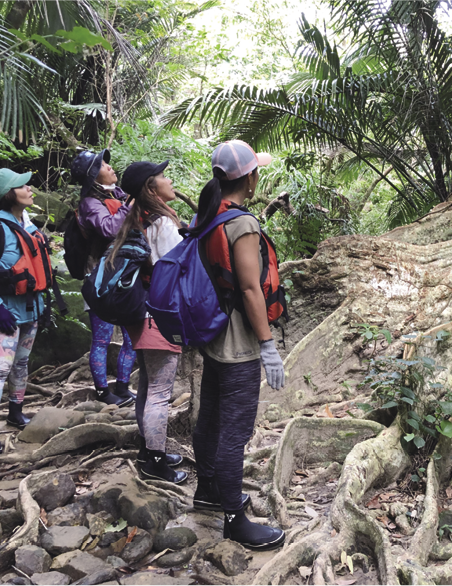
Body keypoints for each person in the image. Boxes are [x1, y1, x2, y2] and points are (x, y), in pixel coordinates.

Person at [190, 140, 286, 551]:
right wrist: (267, 346)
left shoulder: (209, 214)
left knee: (210, 417)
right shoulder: (241, 224)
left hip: (213, 335)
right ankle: (234, 518)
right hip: (238, 341)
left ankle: (208, 489)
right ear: (250, 177)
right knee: (235, 431)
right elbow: (250, 289)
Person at [114, 160, 187, 484]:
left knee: (147, 383)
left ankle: (148, 449)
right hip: (159, 314)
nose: (169, 180)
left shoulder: (134, 222)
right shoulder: (162, 225)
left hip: (137, 313)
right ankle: (155, 462)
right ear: (151, 188)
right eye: (162, 176)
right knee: (159, 390)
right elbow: (178, 272)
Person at [0, 169, 46, 454]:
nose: (29, 189)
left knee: (22, 364)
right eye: (22, 186)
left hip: (30, 308)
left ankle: (16, 411)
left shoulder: (25, 224)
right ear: (7, 194)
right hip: (3, 310)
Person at [71, 149, 136, 407]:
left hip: (123, 276)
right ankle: (102, 392)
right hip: (99, 280)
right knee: (102, 337)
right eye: (102, 164)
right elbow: (109, 228)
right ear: (92, 176)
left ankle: (122, 386)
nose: (109, 167)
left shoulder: (116, 195)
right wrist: (130, 206)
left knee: (132, 336)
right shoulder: (89, 203)